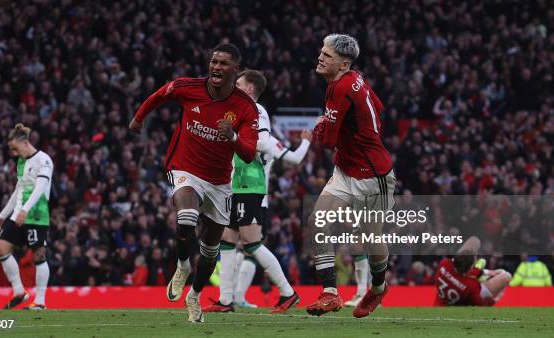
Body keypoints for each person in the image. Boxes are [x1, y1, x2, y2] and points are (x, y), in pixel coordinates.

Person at [129, 43, 258, 323]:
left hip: (220, 182)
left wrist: (233, 138)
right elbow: (160, 95)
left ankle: (195, 295)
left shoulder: (245, 108)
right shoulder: (189, 87)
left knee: (211, 249)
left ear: (236, 70)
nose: (216, 67)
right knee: (186, 215)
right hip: (185, 168)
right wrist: (139, 118)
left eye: (224, 63)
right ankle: (182, 266)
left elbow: (248, 154)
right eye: (214, 61)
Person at [203, 69, 310, 314]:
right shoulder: (240, 110)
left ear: (250, 88)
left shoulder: (257, 110)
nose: (234, 85)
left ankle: (288, 292)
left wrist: (235, 137)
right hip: (234, 186)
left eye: (238, 83)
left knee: (251, 244)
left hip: (249, 186)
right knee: (227, 242)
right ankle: (226, 300)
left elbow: (261, 141)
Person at [306, 34, 396, 318]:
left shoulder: (342, 87)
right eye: (321, 52)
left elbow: (328, 139)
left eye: (327, 55)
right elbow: (378, 108)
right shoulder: (353, 78)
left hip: (372, 175)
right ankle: (330, 293)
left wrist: (320, 126)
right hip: (346, 169)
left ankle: (379, 288)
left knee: (371, 238)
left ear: (344, 64)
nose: (320, 57)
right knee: (317, 220)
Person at [0, 123, 53, 310]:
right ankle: (19, 292)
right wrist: (3, 215)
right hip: (18, 213)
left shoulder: (44, 160)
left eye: (15, 148)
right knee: (2, 250)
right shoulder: (21, 162)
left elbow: (40, 188)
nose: (14, 153)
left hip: (36, 214)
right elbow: (19, 189)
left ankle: (40, 302)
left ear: (25, 143)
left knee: (38, 256)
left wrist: (25, 210)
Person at [434, 236, 512, 306]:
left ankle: (479, 272)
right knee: (506, 276)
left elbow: (457, 271)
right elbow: (480, 305)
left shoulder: (444, 264)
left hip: (441, 302)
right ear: (470, 268)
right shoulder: (472, 285)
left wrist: (484, 272)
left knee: (474, 240)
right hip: (462, 305)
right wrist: (494, 300)